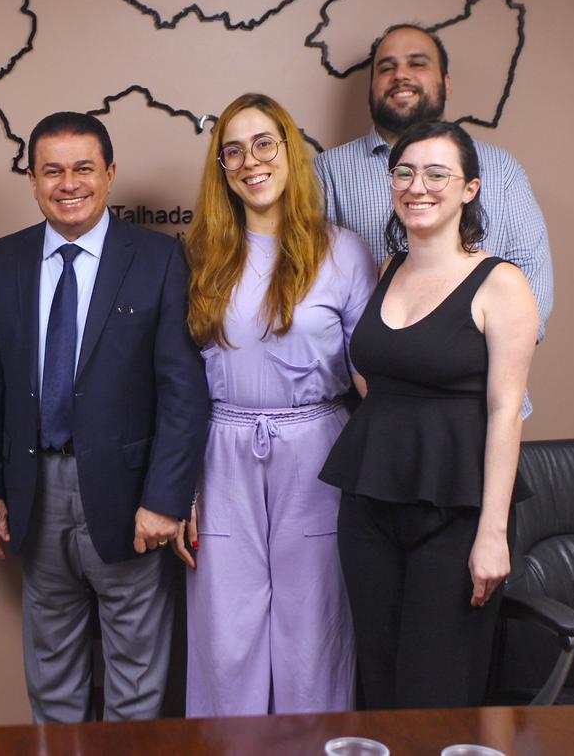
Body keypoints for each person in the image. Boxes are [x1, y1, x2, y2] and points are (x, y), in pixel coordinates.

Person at [0, 112, 207, 723]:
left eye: (83, 169)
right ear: (32, 179)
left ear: (110, 174)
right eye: (52, 171)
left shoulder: (157, 258)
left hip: (131, 498)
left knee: (136, 682)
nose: (68, 184)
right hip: (35, 490)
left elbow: (182, 390)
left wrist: (165, 499)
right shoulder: (6, 258)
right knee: (51, 678)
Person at [319, 120, 539, 709]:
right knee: (378, 679)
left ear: (469, 189)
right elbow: (376, 376)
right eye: (405, 172)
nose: (418, 187)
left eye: (437, 174)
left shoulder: (502, 284)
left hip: (456, 512)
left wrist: (493, 533)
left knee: (435, 687)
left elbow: (506, 411)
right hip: (370, 502)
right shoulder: (389, 269)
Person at [179, 93, 376, 716]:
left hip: (317, 452)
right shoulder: (201, 255)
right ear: (221, 168)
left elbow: (372, 376)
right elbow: (177, 383)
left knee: (313, 629)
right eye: (233, 150)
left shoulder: (343, 251)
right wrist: (180, 489)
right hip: (221, 453)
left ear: (291, 150)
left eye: (264, 143)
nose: (251, 161)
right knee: (225, 633)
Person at [314, 23, 552, 343]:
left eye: (417, 63)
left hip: (478, 371)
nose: (400, 75)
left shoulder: (500, 169)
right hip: (367, 371)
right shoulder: (328, 172)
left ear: (447, 84)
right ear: (370, 91)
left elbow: (532, 280)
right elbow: (310, 290)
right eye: (386, 68)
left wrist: (460, 360)